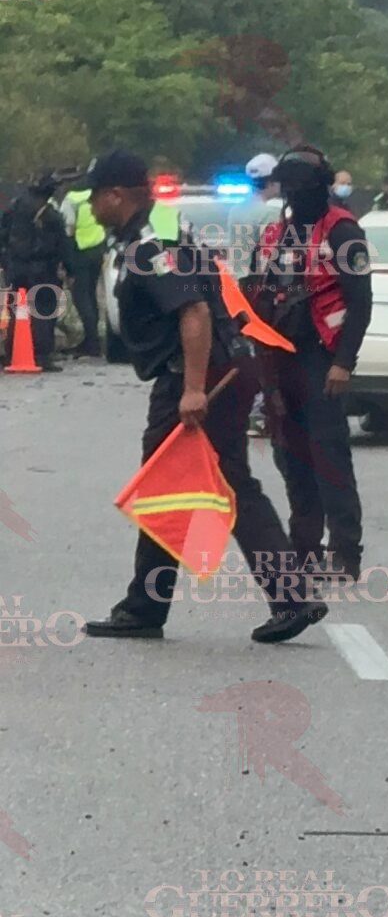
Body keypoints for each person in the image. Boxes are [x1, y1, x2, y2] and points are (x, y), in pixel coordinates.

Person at [82, 150, 327, 644]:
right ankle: (280, 596)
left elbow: (192, 311)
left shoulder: (149, 247)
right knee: (199, 483)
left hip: (201, 375)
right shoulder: (148, 237)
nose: (90, 207)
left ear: (116, 195)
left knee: (188, 484)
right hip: (217, 369)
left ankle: (151, 607)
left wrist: (193, 389)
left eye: (95, 197)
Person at [247, 145, 372, 585]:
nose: (293, 195)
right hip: (279, 359)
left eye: (299, 186)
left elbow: (360, 302)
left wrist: (344, 363)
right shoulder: (274, 234)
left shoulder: (343, 232)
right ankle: (304, 550)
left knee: (328, 454)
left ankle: (345, 552)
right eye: (288, 187)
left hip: (323, 358)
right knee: (290, 456)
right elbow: (257, 292)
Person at [1, 173, 69, 369]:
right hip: (43, 269)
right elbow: (62, 245)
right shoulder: (51, 215)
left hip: (16, 267)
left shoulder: (15, 207)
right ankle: (41, 355)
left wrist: (6, 260)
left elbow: (3, 234)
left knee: (17, 310)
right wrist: (69, 269)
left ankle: (13, 352)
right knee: (44, 312)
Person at [60, 171, 107, 357]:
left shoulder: (71, 199)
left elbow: (68, 229)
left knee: (81, 297)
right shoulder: (94, 195)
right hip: (97, 248)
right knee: (91, 295)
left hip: (79, 251)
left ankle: (91, 342)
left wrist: (67, 262)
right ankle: (92, 340)